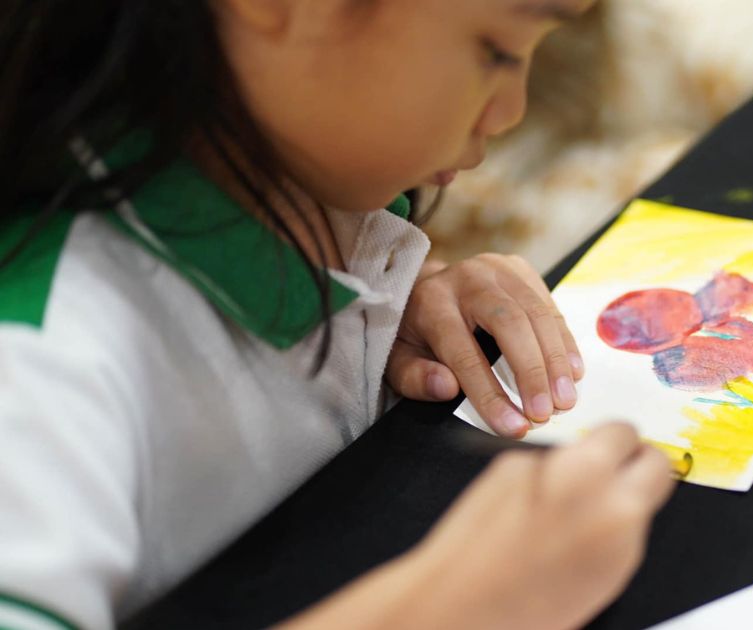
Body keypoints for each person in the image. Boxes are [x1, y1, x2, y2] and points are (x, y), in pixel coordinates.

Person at [0, 1, 676, 628]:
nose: (511, 111)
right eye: (496, 51)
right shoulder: (40, 374)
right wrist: (456, 606)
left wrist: (394, 296)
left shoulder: (307, 196)